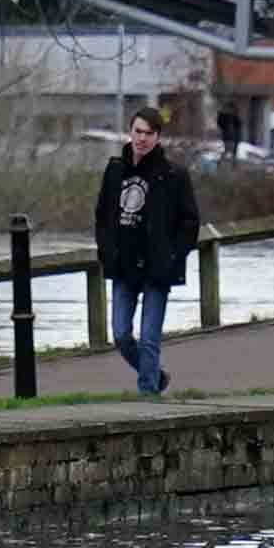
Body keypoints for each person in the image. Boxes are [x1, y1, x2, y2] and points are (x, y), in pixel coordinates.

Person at [92, 104, 203, 398]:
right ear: (130, 132)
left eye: (149, 133)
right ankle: (155, 375)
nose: (142, 138)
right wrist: (106, 251)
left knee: (150, 338)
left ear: (157, 137)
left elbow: (190, 222)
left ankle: (148, 396)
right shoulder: (115, 170)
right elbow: (103, 215)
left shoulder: (173, 175)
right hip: (123, 265)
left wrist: (174, 255)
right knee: (120, 334)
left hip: (157, 267)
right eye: (137, 132)